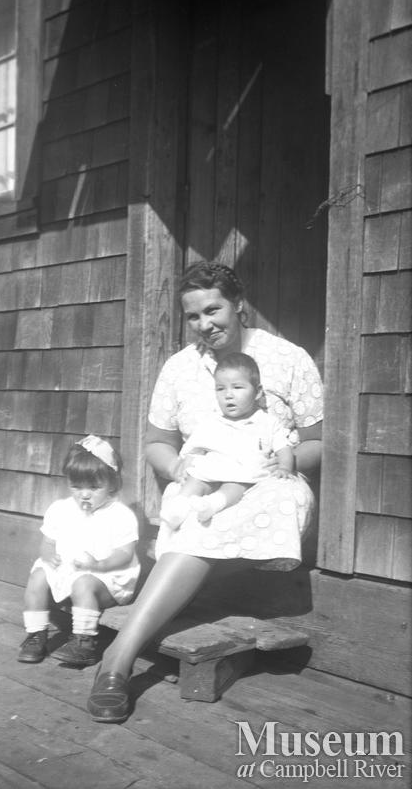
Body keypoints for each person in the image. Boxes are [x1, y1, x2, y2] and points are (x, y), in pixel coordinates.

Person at [87, 261, 323, 723]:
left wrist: (286, 460)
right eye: (193, 316)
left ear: (239, 304)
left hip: (269, 487)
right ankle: (117, 661)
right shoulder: (180, 368)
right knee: (196, 515)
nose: (204, 325)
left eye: (213, 310)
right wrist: (176, 466)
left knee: (259, 501)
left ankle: (116, 656)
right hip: (205, 485)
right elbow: (159, 441)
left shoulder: (288, 358)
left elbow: (319, 439)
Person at [17, 435, 140, 668]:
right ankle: (36, 634)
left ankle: (84, 641)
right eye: (76, 486)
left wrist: (99, 565)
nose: (84, 494)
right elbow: (47, 542)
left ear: (112, 483)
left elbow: (124, 553)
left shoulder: (120, 515)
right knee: (38, 575)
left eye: (94, 487)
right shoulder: (61, 509)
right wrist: (47, 555)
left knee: (83, 583)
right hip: (68, 570)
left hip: (107, 578)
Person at [159, 352, 297, 529]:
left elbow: (283, 448)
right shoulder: (211, 422)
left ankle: (212, 504)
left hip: (242, 474)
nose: (228, 395)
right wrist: (187, 460)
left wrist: (285, 467)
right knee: (195, 480)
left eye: (237, 387)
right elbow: (193, 447)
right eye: (220, 388)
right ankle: (178, 508)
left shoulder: (267, 423)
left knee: (235, 487)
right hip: (212, 470)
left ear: (258, 392)